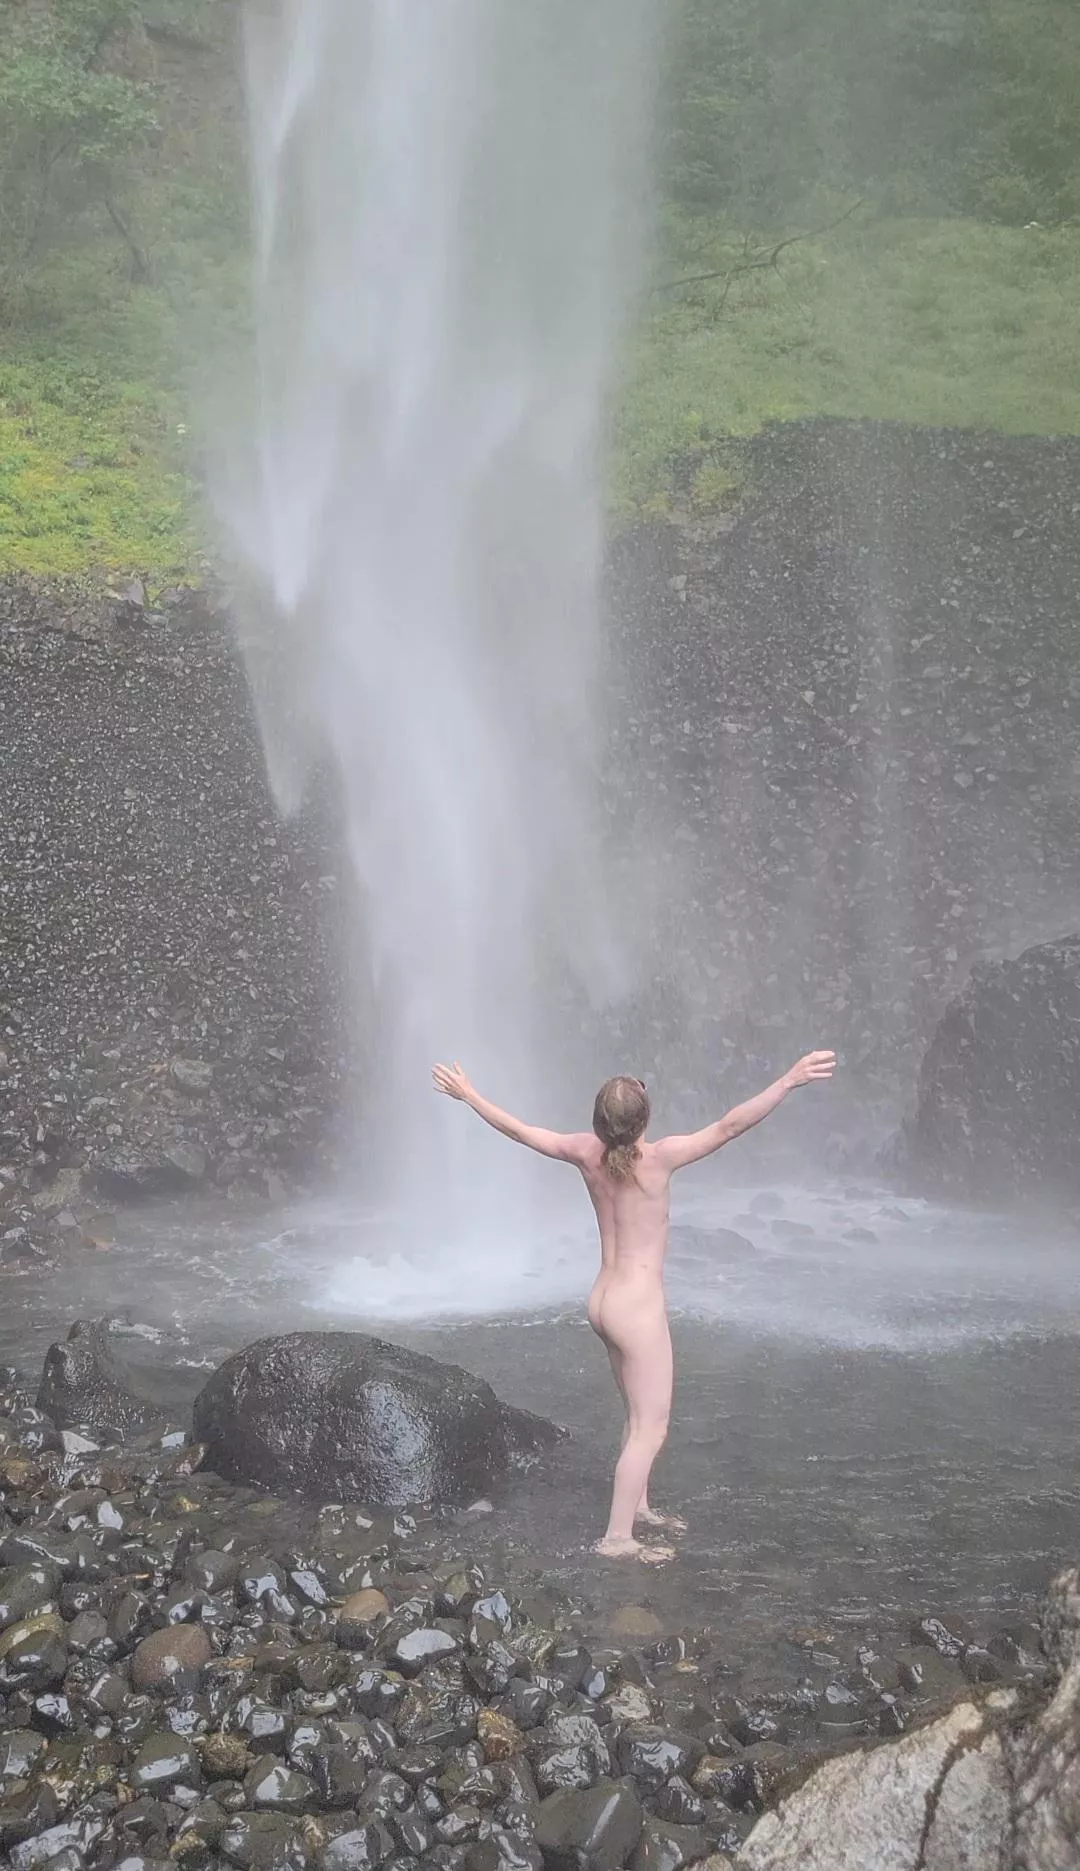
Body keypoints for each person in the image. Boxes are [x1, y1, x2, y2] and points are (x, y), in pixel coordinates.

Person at [431, 1050, 836, 1563]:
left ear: (598, 1122)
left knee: (635, 1412)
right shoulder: (661, 1158)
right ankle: (617, 1538)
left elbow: (521, 1131)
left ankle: (639, 1506)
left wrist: (470, 1096)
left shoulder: (584, 1152)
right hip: (637, 1309)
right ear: (643, 1120)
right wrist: (788, 1079)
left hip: (602, 1300)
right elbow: (731, 1125)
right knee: (652, 1427)